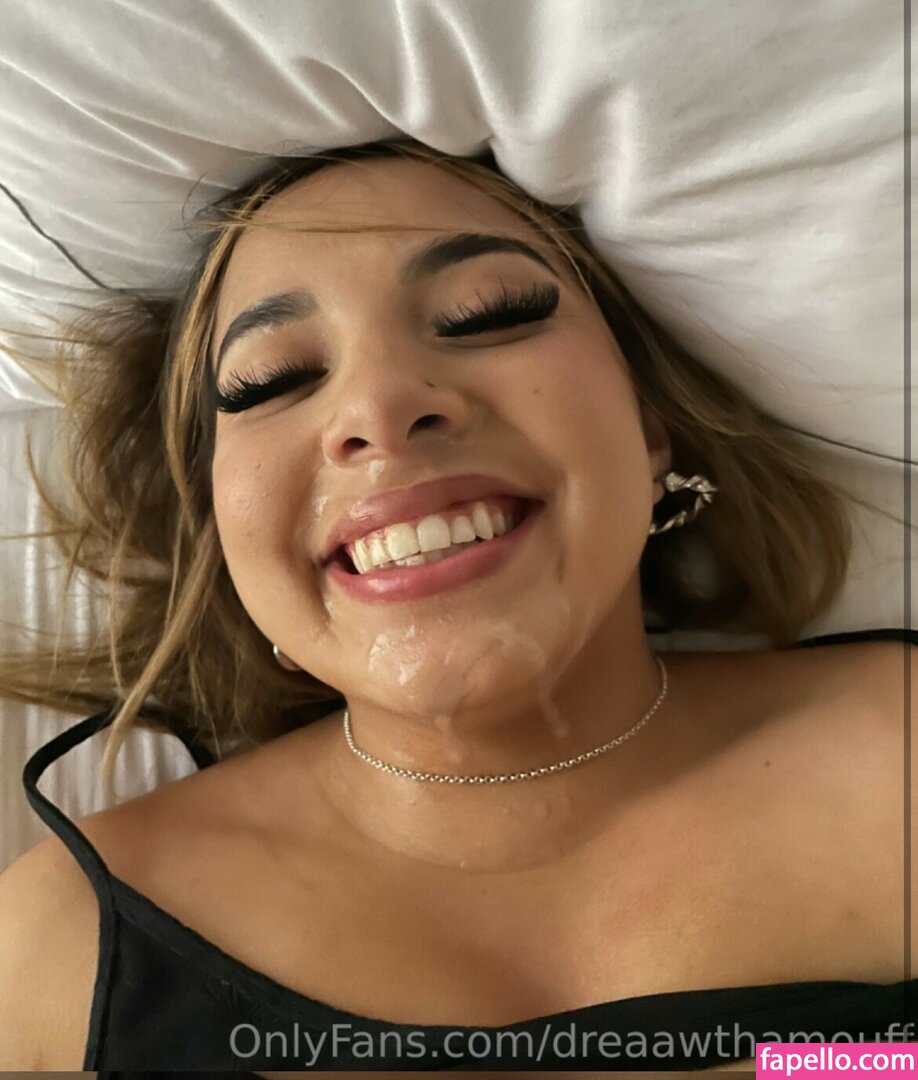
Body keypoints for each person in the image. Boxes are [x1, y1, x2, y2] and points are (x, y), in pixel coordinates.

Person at [0, 136, 913, 1074]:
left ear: (649, 435)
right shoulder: (55, 950)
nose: (380, 407)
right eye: (274, 379)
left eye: (487, 314)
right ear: (226, 540)